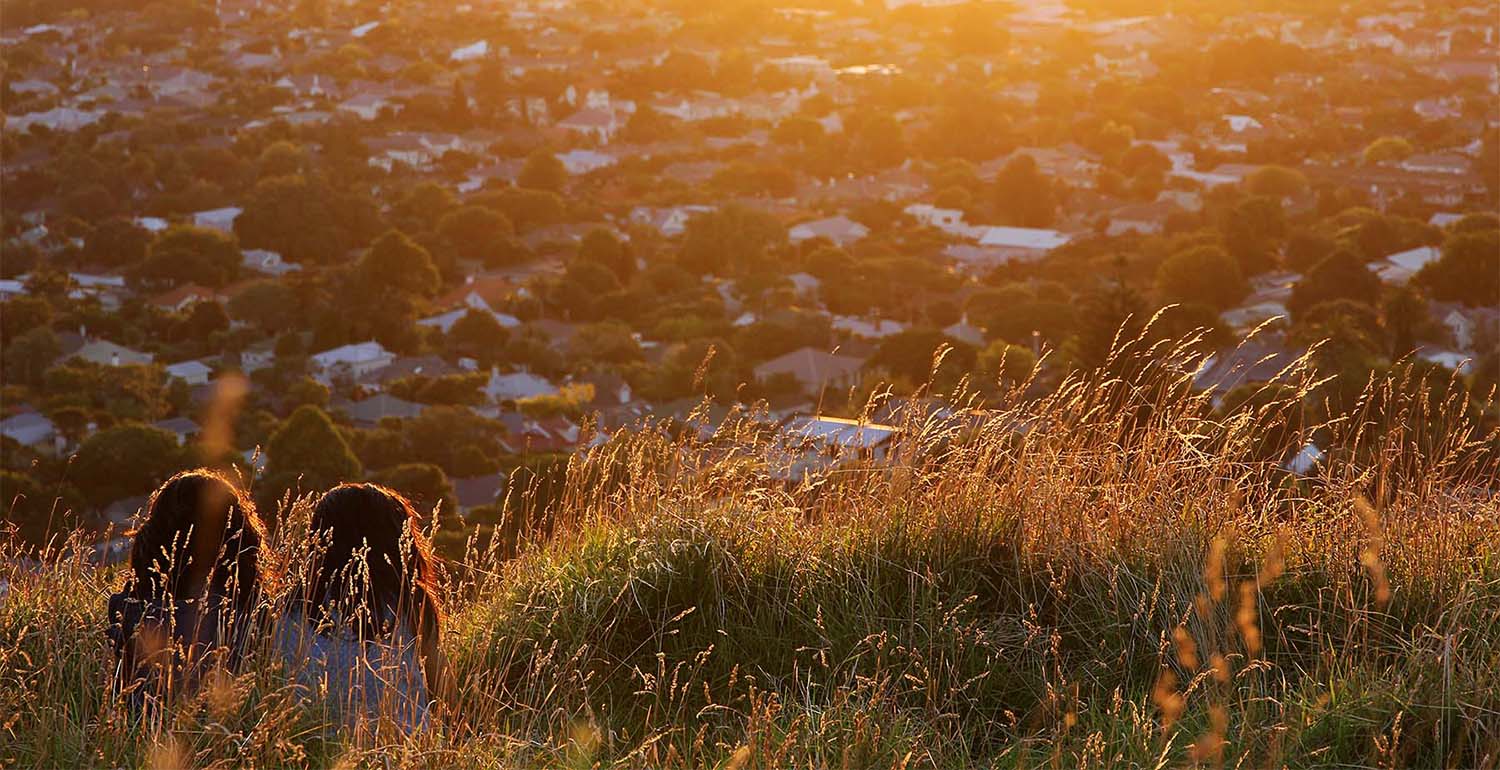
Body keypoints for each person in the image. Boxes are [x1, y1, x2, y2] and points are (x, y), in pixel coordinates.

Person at [274, 483, 447, 731]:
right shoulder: (409, 603)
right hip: (406, 751)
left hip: (315, 751)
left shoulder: (288, 611)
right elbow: (443, 692)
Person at [106, 470, 268, 717]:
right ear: (239, 535)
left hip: (143, 749)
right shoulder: (255, 618)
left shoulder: (128, 614)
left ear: (157, 534)